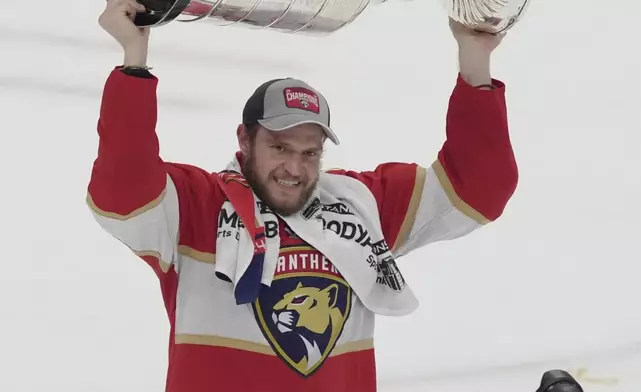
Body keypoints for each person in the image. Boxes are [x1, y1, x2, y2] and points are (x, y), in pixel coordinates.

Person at [88, 0, 519, 391]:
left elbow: (478, 189)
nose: (295, 168)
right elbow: (121, 190)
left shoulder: (361, 204)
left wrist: (474, 61)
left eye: (310, 152)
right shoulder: (197, 206)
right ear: (244, 140)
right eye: (279, 148)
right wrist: (134, 62)